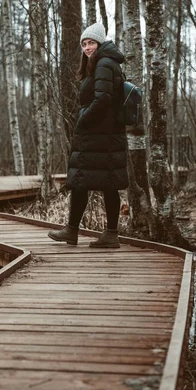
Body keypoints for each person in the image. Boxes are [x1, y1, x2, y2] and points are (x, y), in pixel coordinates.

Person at [48, 22, 128, 248]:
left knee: (91, 181)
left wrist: (83, 121)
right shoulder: (104, 63)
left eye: (91, 42)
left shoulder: (103, 63)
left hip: (100, 135)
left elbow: (102, 100)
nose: (87, 48)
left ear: (100, 43)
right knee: (96, 181)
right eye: (84, 44)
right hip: (103, 135)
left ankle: (88, 232)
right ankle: (87, 232)